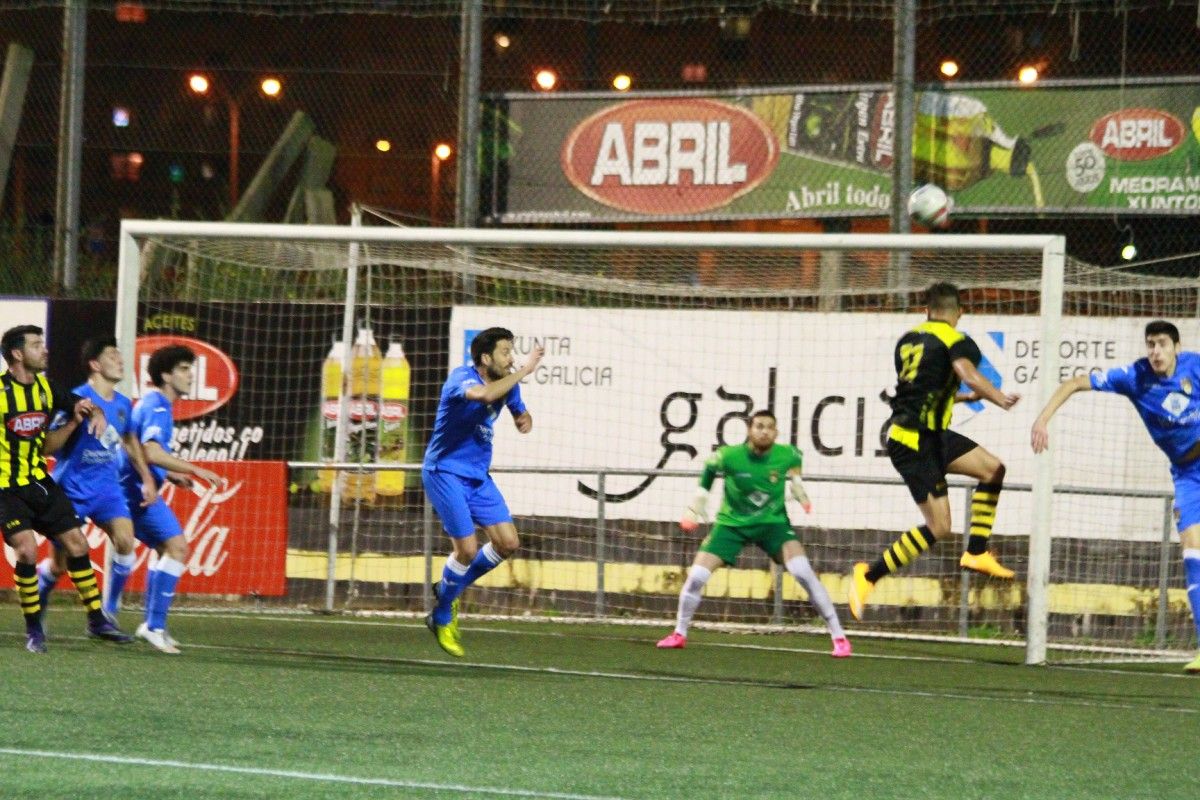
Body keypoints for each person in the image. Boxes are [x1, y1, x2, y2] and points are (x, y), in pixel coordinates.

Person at [1031, 320, 1200, 674]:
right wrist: (1042, 419)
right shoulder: (1134, 377)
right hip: (1187, 474)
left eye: (1163, 344)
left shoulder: (1194, 366)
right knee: (1193, 554)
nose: (1155, 351)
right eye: (1150, 344)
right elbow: (1076, 383)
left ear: (1176, 347)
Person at [849, 283, 1020, 621]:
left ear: (926, 310)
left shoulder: (908, 340)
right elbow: (967, 373)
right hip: (914, 442)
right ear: (960, 313)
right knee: (940, 527)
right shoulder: (958, 340)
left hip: (932, 435)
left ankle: (975, 552)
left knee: (992, 469)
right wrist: (997, 397)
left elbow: (920, 391)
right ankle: (868, 575)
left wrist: (962, 399)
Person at [656, 409, 852, 657]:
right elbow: (707, 473)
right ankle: (679, 634)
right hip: (731, 525)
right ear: (749, 429)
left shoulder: (788, 454)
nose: (764, 431)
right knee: (696, 577)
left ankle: (839, 638)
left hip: (773, 524)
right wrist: (695, 507)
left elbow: (796, 470)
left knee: (804, 573)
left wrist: (800, 492)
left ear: (776, 432)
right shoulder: (728, 456)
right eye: (759, 426)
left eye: (769, 427)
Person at [0, 325, 133, 652]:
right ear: (17, 354)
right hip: (5, 488)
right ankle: (34, 630)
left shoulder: (46, 388)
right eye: (36, 345)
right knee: (28, 550)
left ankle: (97, 619)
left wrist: (93, 413)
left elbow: (82, 403)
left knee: (78, 544)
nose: (44, 350)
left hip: (39, 481)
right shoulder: (1, 393)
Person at [422, 327, 543, 657]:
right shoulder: (460, 378)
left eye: (512, 352)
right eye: (505, 352)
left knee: (508, 543)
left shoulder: (507, 385)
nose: (511, 357)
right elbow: (484, 395)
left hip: (477, 477)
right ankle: (443, 614)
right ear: (486, 358)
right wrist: (525, 369)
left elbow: (521, 413)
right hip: (444, 472)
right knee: (467, 550)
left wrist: (524, 419)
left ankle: (450, 588)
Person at [39, 337, 157, 622]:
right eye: (113, 355)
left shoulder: (123, 405)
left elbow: (129, 438)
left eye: (120, 354)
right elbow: (47, 447)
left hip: (108, 490)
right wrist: (74, 422)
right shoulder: (74, 399)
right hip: (72, 489)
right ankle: (38, 604)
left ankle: (109, 612)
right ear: (95, 364)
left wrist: (146, 478)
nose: (120, 360)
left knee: (126, 541)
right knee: (60, 566)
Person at [120, 344, 223, 654]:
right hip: (133, 491)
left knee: (166, 548)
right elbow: (151, 451)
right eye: (184, 369)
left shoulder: (155, 404)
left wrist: (173, 475)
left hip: (130, 489)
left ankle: (149, 624)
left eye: (191, 368)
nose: (191, 375)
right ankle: (154, 626)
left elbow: (143, 450)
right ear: (166, 375)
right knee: (177, 547)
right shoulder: (158, 407)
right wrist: (196, 468)